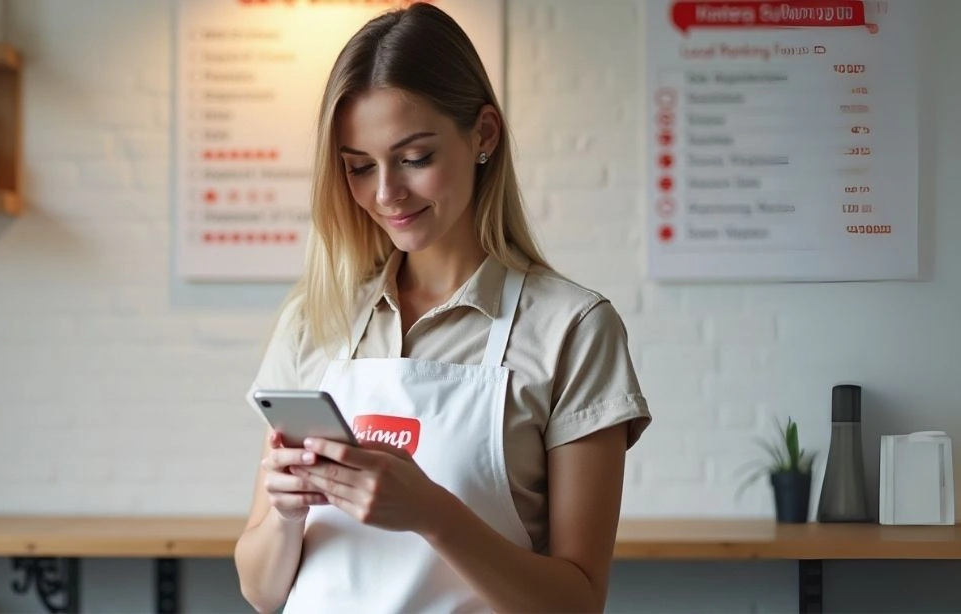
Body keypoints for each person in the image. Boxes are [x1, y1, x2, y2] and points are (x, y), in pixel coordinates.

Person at [233, 3, 651, 612]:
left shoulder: (573, 330)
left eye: (415, 158)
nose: (385, 193)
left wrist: (431, 513)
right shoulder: (315, 319)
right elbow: (260, 590)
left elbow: (577, 603)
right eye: (358, 167)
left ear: (483, 134)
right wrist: (286, 516)